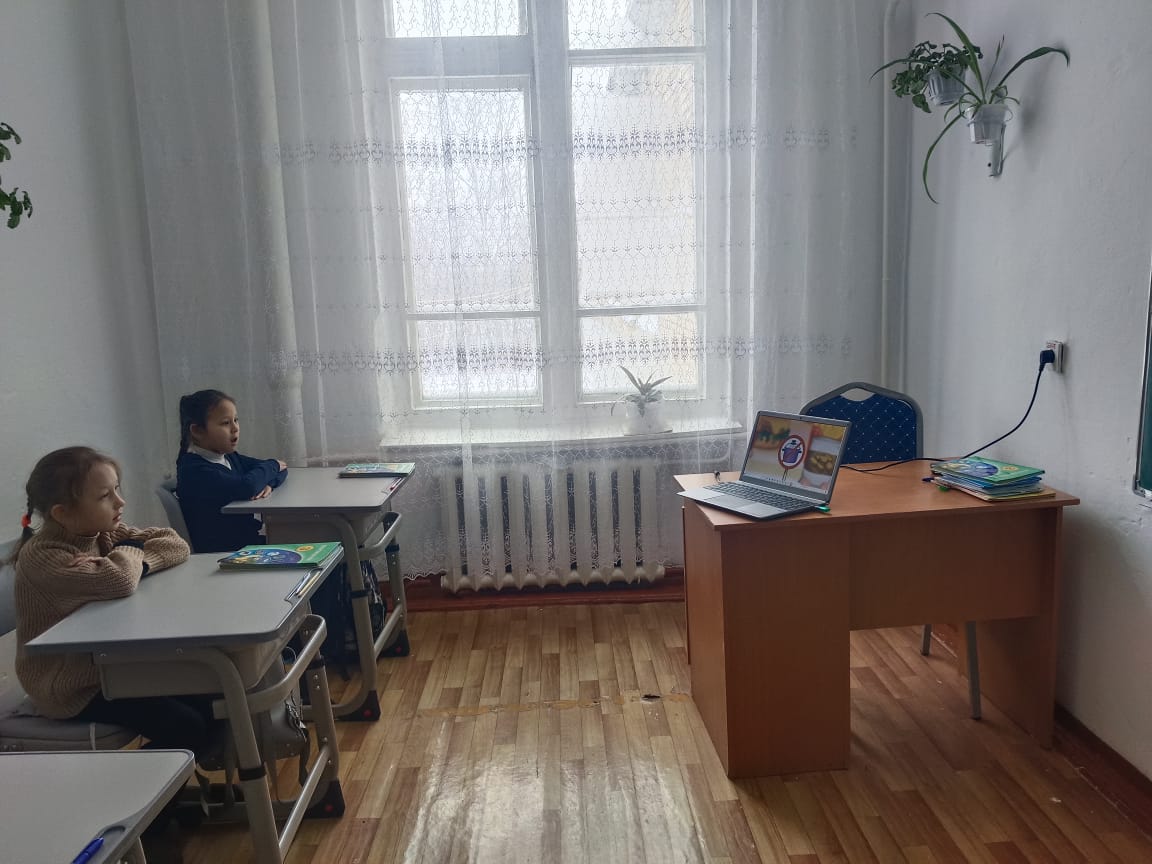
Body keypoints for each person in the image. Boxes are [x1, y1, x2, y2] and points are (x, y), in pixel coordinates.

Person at [13, 446, 213, 755]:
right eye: (105, 496)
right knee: (186, 726)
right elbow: (118, 580)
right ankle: (143, 787)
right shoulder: (44, 557)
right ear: (63, 513)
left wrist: (133, 560)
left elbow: (175, 544)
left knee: (212, 698)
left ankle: (185, 778)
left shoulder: (102, 534)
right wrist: (127, 557)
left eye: (117, 489)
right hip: (71, 686)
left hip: (113, 668)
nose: (120, 502)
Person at [175, 389, 287, 553]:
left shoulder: (229, 457)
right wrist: (273, 465)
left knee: (306, 540)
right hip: (228, 552)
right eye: (225, 423)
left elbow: (281, 469)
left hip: (245, 544)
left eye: (236, 420)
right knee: (303, 542)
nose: (235, 428)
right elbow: (247, 486)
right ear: (198, 431)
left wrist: (269, 483)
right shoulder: (195, 471)